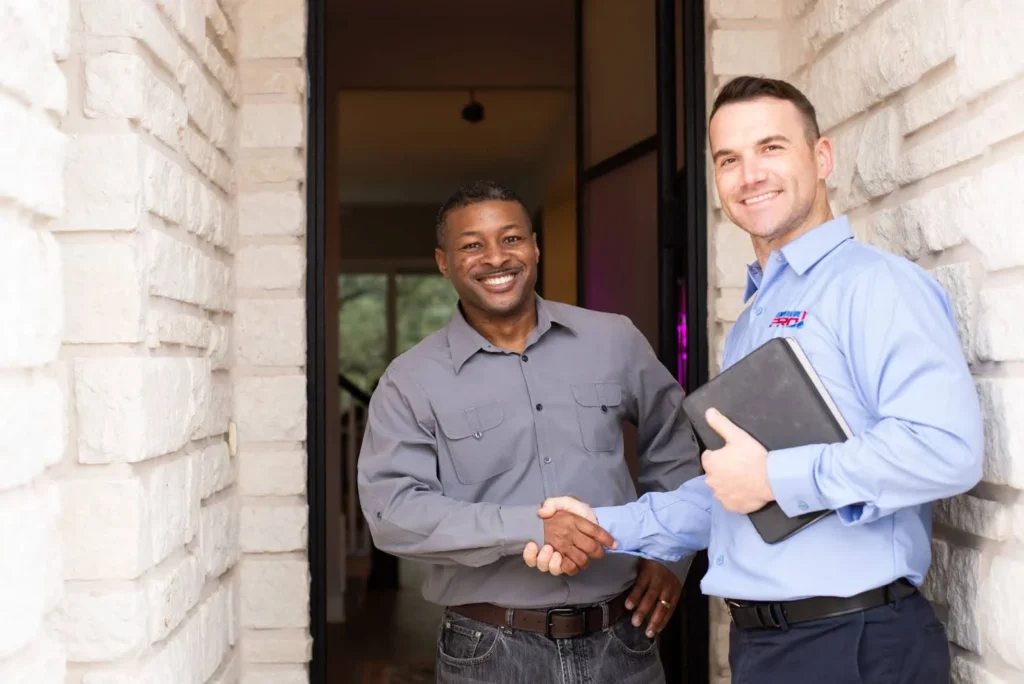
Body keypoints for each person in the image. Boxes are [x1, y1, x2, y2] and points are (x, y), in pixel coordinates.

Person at [524, 75, 984, 684]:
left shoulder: (875, 286)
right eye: (729, 159)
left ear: (821, 158)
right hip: (770, 647)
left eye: (771, 148)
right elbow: (732, 497)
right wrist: (601, 525)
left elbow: (946, 451)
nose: (750, 175)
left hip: (854, 643)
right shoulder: (757, 314)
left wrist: (775, 476)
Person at [356, 180, 703, 683]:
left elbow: (674, 445)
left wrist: (671, 553)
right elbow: (394, 513)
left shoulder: (614, 339)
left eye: (511, 239)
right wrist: (530, 527)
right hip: (490, 651)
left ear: (535, 246)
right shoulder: (410, 380)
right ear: (443, 261)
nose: (496, 258)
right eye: (472, 245)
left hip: (621, 641)